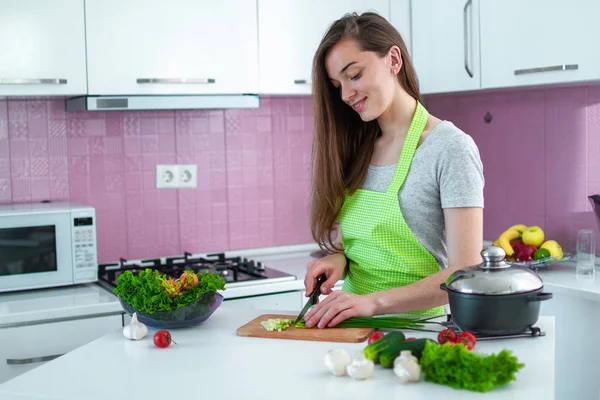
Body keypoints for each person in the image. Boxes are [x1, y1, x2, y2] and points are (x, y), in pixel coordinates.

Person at [303, 12, 485, 329]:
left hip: (417, 334)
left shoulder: (450, 149)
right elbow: (364, 244)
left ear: (393, 60)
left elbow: (465, 271)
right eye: (337, 85)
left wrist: (372, 303)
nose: (345, 95)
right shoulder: (357, 145)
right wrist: (340, 259)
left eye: (354, 75)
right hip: (350, 329)